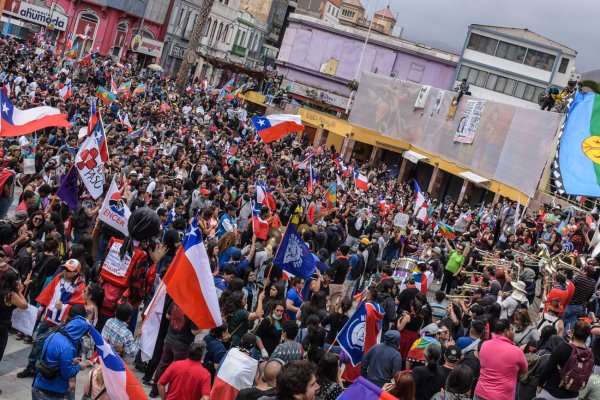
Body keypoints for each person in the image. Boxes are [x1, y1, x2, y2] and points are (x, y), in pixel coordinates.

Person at [31, 307, 91, 400]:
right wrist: (80, 366)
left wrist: (71, 361)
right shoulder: (68, 347)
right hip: (50, 393)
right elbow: (67, 374)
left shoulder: (55, 335)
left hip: (38, 385)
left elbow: (53, 358)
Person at [149, 302, 201, 398]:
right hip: (182, 345)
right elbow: (194, 331)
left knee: (163, 365)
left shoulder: (176, 301)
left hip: (169, 339)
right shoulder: (193, 308)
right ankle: (173, 393)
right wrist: (201, 327)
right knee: (179, 370)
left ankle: (154, 390)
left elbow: (168, 316)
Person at [537, 321, 594, 399]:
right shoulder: (589, 354)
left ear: (573, 331)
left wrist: (539, 384)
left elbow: (547, 368)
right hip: (573, 395)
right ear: (587, 336)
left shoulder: (563, 347)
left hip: (553, 392)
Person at [474, 318, 527, 400]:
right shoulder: (517, 351)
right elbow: (524, 370)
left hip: (480, 392)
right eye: (512, 329)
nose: (514, 332)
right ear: (506, 331)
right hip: (501, 396)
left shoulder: (485, 344)